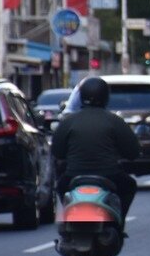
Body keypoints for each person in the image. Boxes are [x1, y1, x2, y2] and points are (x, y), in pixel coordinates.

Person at [50, 76, 141, 218]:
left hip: (74, 175)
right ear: (106, 96)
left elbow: (57, 152)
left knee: (61, 186)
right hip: (109, 174)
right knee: (129, 186)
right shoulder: (114, 121)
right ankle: (119, 221)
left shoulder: (68, 122)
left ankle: (68, 216)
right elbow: (133, 152)